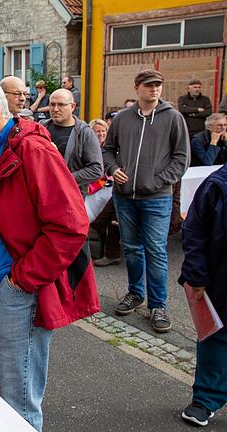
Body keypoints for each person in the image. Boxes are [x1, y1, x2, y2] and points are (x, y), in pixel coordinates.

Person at [0, 72, 98, 432]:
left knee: (19, 399)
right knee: (6, 385)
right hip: (0, 284)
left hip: (18, 286)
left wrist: (21, 279)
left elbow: (71, 225)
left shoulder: (33, 149)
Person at [102, 69, 190, 333]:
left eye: (158, 85)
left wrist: (157, 181)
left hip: (157, 198)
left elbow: (181, 158)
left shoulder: (173, 118)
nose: (154, 89)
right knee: (131, 248)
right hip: (125, 196)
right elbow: (108, 150)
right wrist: (112, 168)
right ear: (137, 87)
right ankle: (135, 293)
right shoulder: (123, 118)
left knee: (155, 250)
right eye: (149, 85)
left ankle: (158, 305)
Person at [178, 164, 227, 427]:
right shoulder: (218, 183)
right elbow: (195, 231)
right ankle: (206, 399)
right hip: (220, 280)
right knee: (215, 337)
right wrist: (196, 276)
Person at [39, 88, 103, 194]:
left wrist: (64, 179)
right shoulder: (40, 128)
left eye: (61, 105)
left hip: (70, 197)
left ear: (72, 106)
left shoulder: (85, 132)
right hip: (41, 195)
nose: (55, 109)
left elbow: (96, 170)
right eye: (52, 104)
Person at [88, 119, 121, 267]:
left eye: (103, 131)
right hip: (92, 187)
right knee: (112, 208)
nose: (101, 134)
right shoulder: (87, 147)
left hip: (111, 187)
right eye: (97, 131)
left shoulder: (113, 149)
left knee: (115, 203)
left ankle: (97, 227)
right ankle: (98, 227)